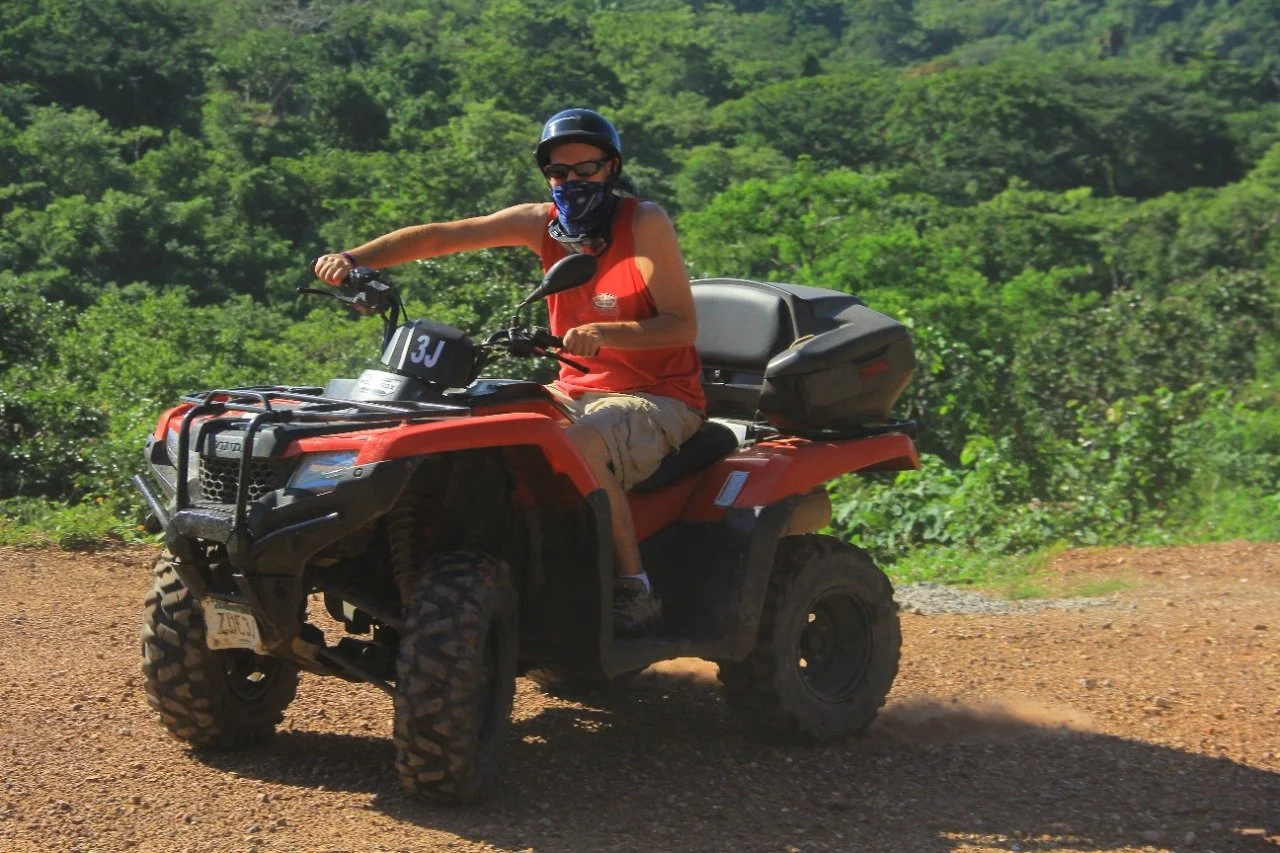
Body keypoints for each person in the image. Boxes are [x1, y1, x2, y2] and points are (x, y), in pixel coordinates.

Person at [312, 108, 706, 638]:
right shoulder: (541, 222)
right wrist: (354, 257)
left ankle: (635, 587)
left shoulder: (641, 221)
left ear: (611, 168)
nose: (572, 182)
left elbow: (682, 326)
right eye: (559, 173)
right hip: (572, 387)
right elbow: (440, 237)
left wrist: (608, 333)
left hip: (658, 396)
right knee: (467, 426)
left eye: (585, 170)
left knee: (582, 445)